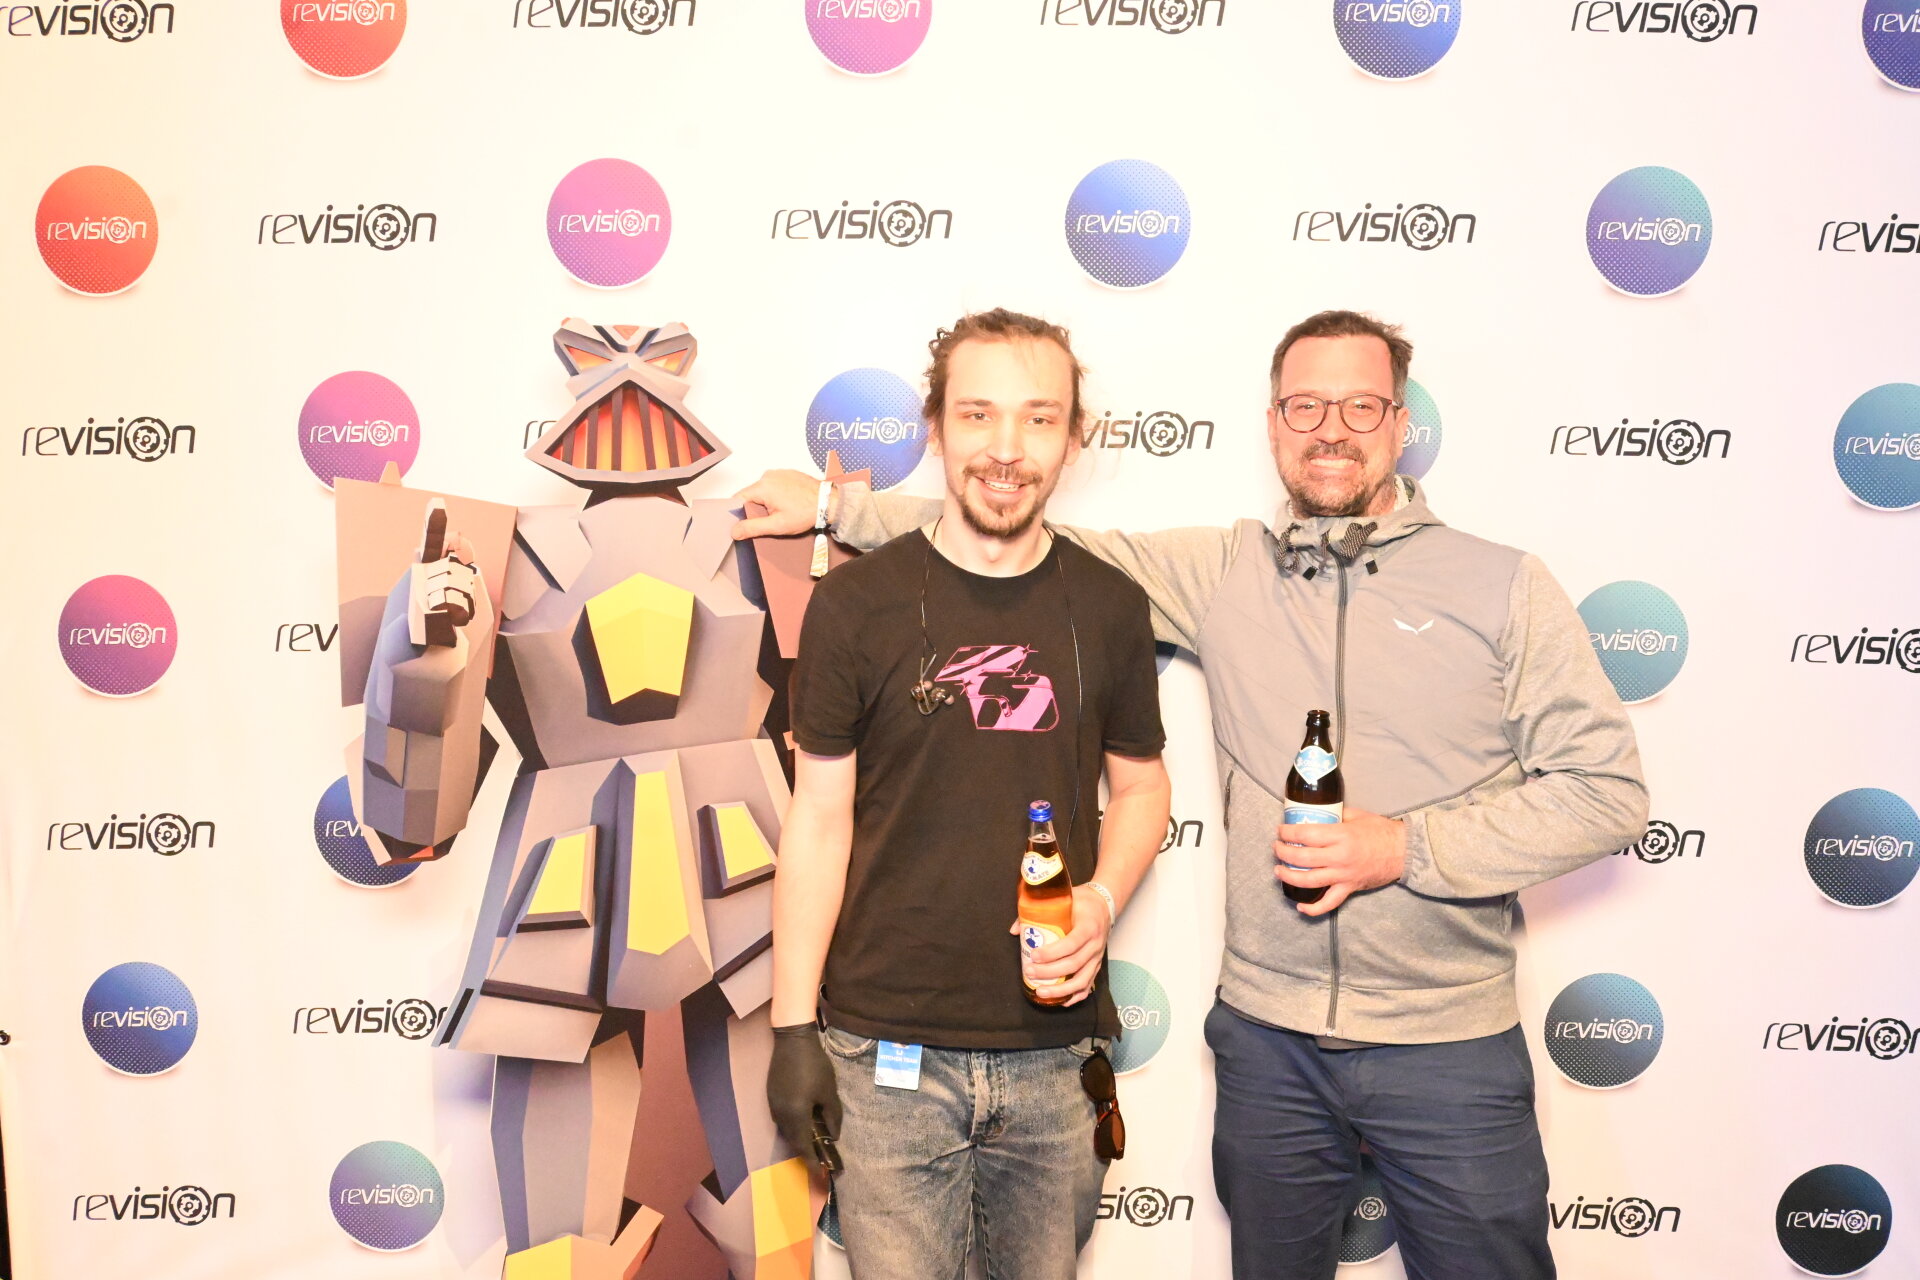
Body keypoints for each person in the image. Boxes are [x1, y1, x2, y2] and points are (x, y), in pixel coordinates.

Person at [736, 309, 1649, 1280]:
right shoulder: (1224, 571)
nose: (1331, 429)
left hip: (1448, 1045)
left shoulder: (1501, 584)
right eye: (1305, 406)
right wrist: (837, 509)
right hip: (1269, 1045)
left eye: (1360, 406)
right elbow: (1008, 530)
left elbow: (1608, 793)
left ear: (1399, 422)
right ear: (1273, 422)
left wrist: (1404, 847)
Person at [759, 308, 1172, 1280]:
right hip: (883, 1056)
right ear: (936, 429)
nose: (1006, 448)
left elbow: (1143, 787)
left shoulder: (1110, 606)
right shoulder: (853, 606)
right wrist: (791, 1028)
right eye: (978, 414)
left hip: (1055, 1059)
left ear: (1074, 437)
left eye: (1039, 418)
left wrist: (1100, 899)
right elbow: (818, 821)